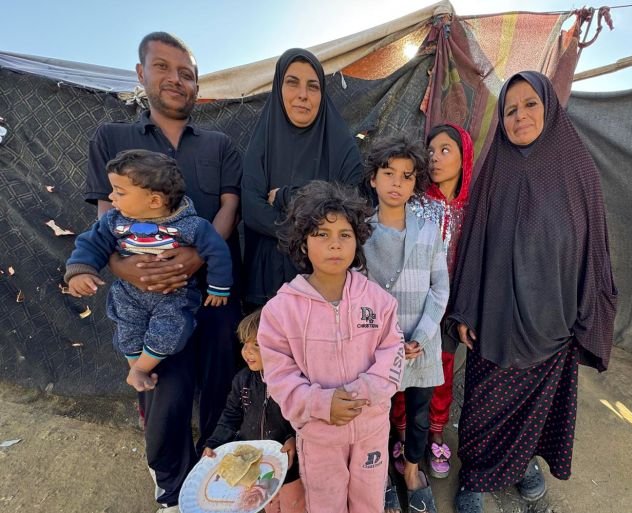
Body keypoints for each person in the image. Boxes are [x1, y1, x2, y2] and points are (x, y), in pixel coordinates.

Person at [83, 32, 242, 511]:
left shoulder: (220, 146)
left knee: (219, 386)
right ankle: (171, 487)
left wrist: (196, 258)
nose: (176, 80)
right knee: (163, 394)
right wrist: (124, 269)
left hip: (213, 295)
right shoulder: (113, 140)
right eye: (163, 68)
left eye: (187, 73)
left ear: (197, 85)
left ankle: (214, 481)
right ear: (141, 74)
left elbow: (231, 206)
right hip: (148, 298)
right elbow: (105, 220)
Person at [447, 71, 618, 512]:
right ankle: (477, 475)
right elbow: (474, 243)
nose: (519, 116)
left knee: (536, 410)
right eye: (510, 109)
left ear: (549, 107)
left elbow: (594, 245)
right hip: (498, 315)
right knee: (485, 403)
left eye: (529, 105)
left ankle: (523, 464)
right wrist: (465, 309)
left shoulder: (578, 169)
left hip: (554, 320)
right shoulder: (494, 169)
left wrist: (587, 312)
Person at [258, 180, 405, 513]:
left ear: (357, 241)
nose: (334, 245)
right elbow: (280, 378)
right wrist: (321, 403)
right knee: (326, 503)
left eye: (344, 235)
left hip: (371, 430)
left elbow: (393, 353)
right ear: (303, 243)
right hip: (319, 436)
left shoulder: (378, 301)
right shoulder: (282, 311)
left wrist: (361, 393)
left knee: (369, 501)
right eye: (321, 234)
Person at [66, 150, 231, 391]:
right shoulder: (114, 222)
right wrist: (80, 271)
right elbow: (91, 243)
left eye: (119, 192)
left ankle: (140, 369)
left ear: (154, 201)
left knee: (171, 331)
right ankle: (137, 369)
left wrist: (219, 287)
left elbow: (217, 251)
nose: (111, 198)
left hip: (173, 297)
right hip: (128, 294)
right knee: (127, 332)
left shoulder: (191, 225)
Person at [362, 135, 449, 513]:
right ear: (373, 180)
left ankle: (412, 471)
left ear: (416, 183)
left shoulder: (429, 232)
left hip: (421, 345)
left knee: (417, 413)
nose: (397, 183)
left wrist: (423, 336)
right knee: (376, 414)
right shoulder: (360, 235)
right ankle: (379, 476)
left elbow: (440, 288)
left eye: (407, 176)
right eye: (388, 173)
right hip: (376, 347)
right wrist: (388, 340)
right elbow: (356, 297)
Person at [242, 48, 363, 308]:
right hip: (267, 283)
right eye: (292, 83)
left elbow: (350, 205)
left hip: (325, 282)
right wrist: (312, 231)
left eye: (313, 86)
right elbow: (252, 209)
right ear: (278, 89)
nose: (303, 95)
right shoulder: (263, 142)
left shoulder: (342, 146)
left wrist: (286, 196)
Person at [409, 122, 475, 479]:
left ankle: (436, 431)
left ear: (464, 157)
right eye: (431, 151)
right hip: (415, 306)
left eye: (445, 150)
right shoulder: (416, 202)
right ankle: (404, 434)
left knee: (443, 371)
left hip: (451, 311)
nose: (435, 158)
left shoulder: (473, 209)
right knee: (409, 370)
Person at [203, 309, 306, 513]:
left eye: (256, 345)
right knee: (268, 505)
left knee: (294, 506)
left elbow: (305, 418)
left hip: (291, 466)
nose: (246, 351)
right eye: (244, 344)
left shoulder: (295, 381)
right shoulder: (243, 380)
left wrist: (293, 438)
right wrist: (215, 443)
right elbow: (230, 416)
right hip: (259, 466)